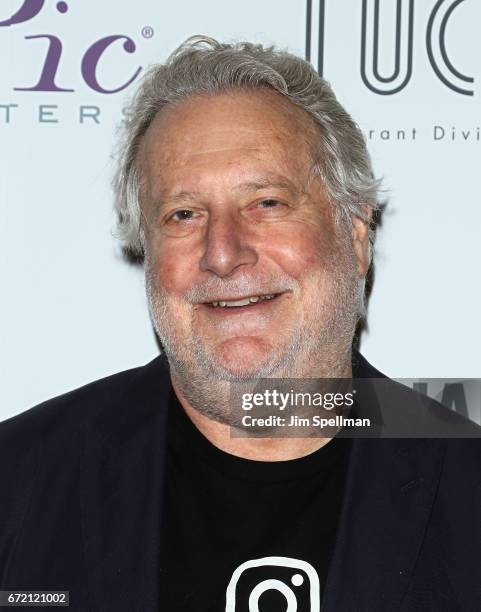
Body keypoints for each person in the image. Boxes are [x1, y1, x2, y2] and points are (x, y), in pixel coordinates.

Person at [0, 36, 480, 612]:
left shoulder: (466, 486)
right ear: (147, 252)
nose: (223, 253)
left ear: (355, 239)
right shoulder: (18, 482)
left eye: (267, 203)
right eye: (183, 214)